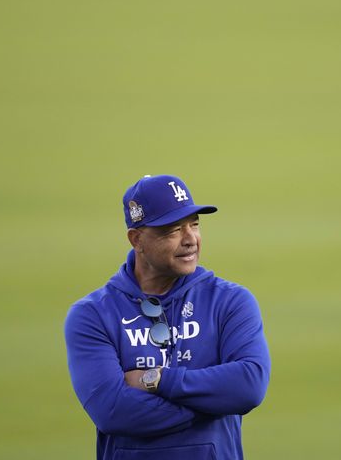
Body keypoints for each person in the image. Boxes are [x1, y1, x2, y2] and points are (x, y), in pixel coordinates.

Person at [65, 174, 270, 459]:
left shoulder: (231, 301)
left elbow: (248, 386)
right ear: (136, 239)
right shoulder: (92, 315)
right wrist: (211, 403)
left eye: (195, 225)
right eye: (173, 230)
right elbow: (113, 412)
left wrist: (157, 380)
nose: (191, 240)